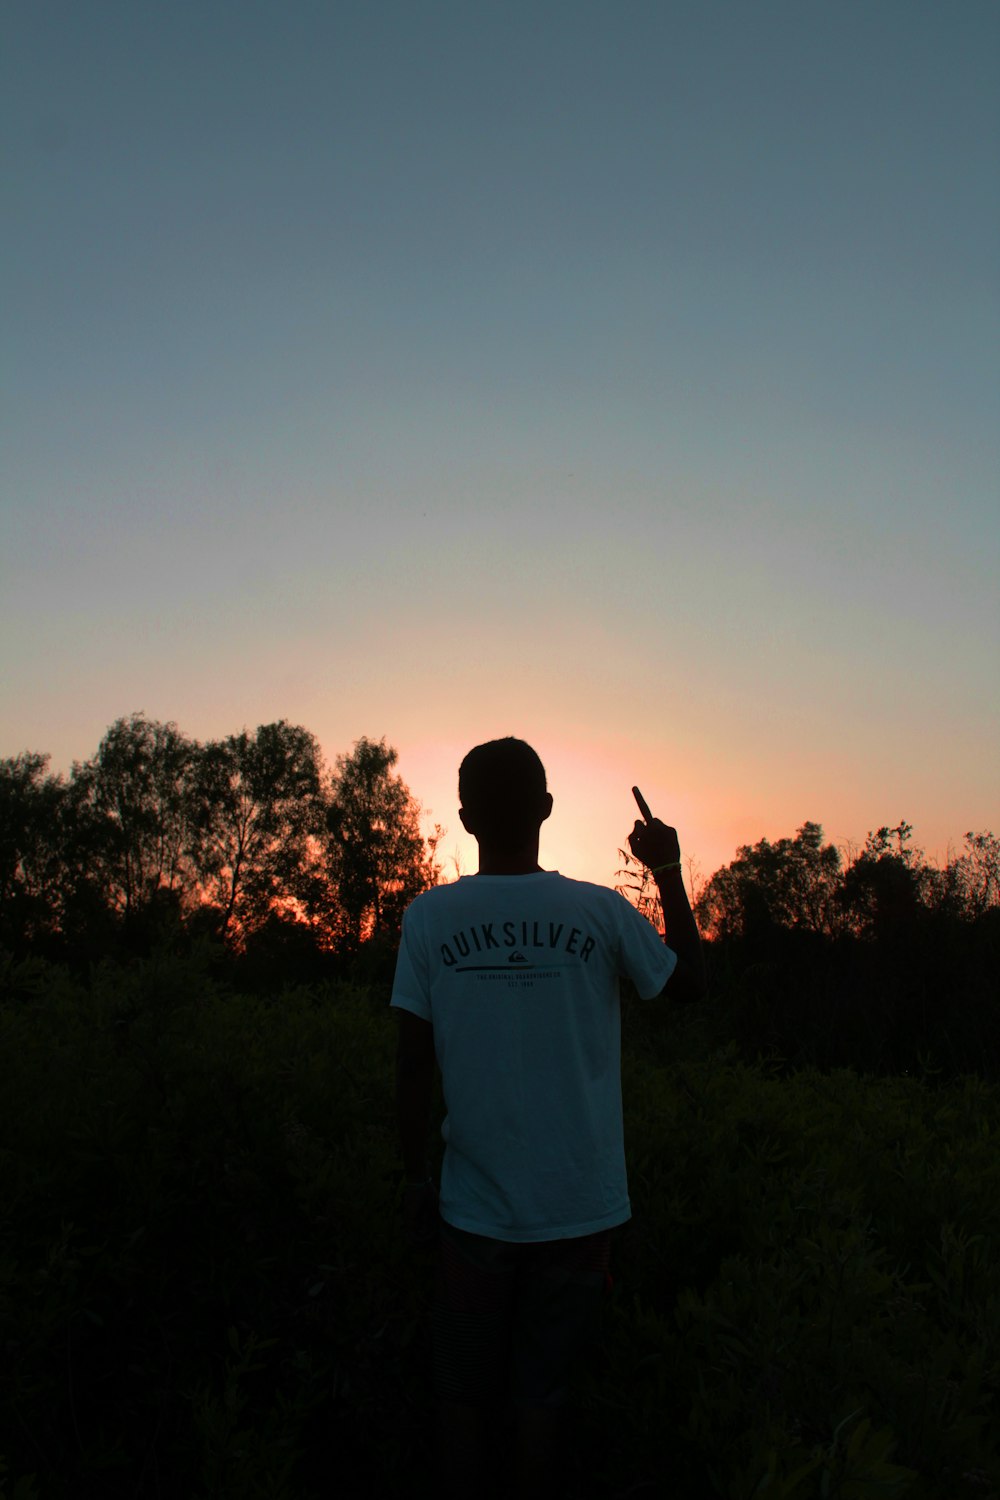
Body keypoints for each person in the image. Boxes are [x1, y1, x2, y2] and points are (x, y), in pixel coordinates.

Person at [390, 737, 705, 1498]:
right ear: (547, 810)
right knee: (544, 1394)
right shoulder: (597, 910)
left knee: (463, 1395)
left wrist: (409, 1180)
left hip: (470, 1214)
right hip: (579, 1211)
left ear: (465, 818)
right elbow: (688, 987)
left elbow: (410, 1064)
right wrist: (666, 869)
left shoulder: (429, 919)